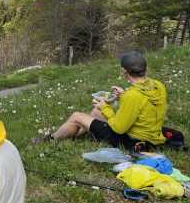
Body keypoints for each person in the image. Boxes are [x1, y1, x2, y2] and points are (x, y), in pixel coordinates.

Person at [33, 50, 167, 150]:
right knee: (95, 113)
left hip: (134, 141)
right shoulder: (157, 85)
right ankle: (74, 134)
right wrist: (123, 94)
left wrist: (104, 106)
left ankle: (50, 139)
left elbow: (119, 128)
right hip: (151, 134)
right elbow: (142, 103)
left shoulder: (133, 96)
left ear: (124, 71)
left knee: (76, 116)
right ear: (144, 69)